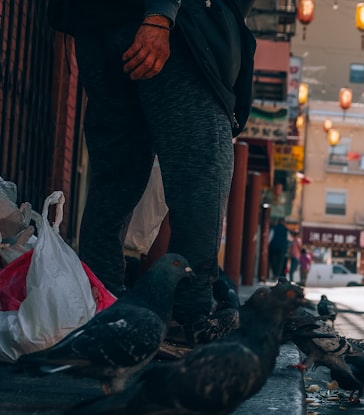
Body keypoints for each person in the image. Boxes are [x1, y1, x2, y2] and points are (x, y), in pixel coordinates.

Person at [49, 0, 256, 340]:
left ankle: (101, 310)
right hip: (172, 25)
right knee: (201, 173)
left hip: (96, 24)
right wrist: (160, 16)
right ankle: (190, 321)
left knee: (114, 179)